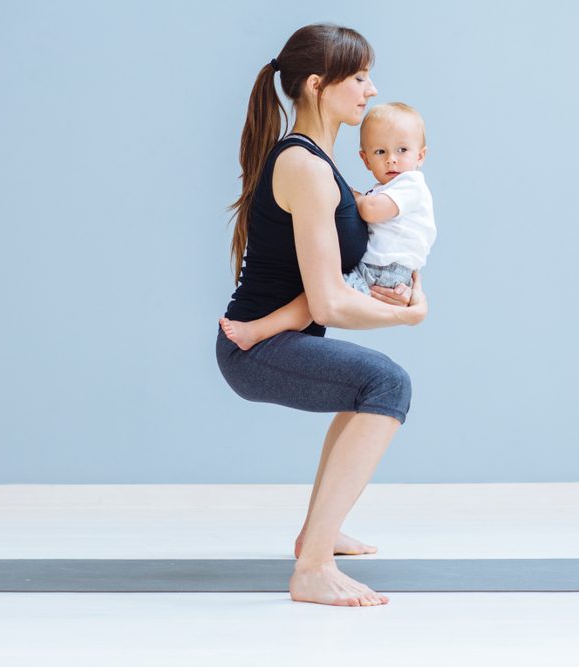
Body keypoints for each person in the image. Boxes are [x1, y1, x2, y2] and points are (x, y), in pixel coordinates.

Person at [216, 24, 428, 607]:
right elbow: (331, 301)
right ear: (317, 85)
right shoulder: (304, 166)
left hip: (274, 338)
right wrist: (409, 318)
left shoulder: (321, 164)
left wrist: (407, 287)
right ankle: (311, 567)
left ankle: (319, 535)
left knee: (365, 388)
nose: (370, 88)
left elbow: (330, 288)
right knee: (387, 382)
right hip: (254, 348)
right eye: (358, 76)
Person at [219, 102, 435, 351]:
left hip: (384, 272)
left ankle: (256, 331)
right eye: (380, 152)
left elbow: (371, 211)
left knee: (317, 301)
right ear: (365, 159)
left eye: (402, 150)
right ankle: (256, 331)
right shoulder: (386, 189)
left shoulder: (411, 184)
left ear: (421, 156)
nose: (391, 160)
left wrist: (354, 196)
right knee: (316, 301)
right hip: (380, 269)